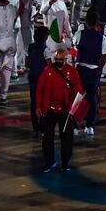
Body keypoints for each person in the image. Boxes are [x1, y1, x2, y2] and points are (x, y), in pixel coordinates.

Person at [35, 43, 81, 172]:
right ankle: (49, 162)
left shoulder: (72, 72)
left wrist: (73, 109)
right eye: (57, 60)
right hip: (49, 109)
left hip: (66, 111)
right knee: (47, 138)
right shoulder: (47, 71)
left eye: (61, 60)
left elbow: (78, 91)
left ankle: (65, 163)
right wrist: (38, 106)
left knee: (67, 138)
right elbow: (39, 89)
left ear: (65, 60)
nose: (59, 62)